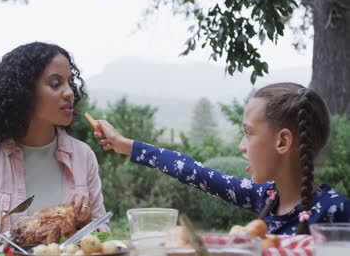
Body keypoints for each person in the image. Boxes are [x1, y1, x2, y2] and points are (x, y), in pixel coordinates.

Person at [94, 82, 350, 235]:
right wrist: (125, 145)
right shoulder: (266, 197)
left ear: (282, 142)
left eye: (248, 134)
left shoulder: (335, 212)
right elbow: (194, 171)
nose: (241, 146)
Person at [0, 42, 109, 231]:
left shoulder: (83, 156)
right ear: (23, 92)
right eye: (55, 84)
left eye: (70, 83)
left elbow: (103, 233)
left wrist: (85, 221)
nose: (69, 93)